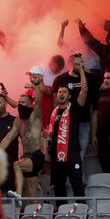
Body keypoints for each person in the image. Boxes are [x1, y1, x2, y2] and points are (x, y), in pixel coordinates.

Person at [0, 75, 44, 198]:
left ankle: (18, 194)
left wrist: (36, 85)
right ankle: (31, 212)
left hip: (37, 156)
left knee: (16, 165)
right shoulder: (18, 121)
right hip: (26, 157)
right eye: (19, 103)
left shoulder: (35, 116)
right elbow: (8, 138)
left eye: (23, 103)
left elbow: (38, 102)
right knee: (31, 194)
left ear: (30, 105)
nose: (20, 105)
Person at [52, 53, 98, 173]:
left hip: (83, 122)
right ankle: (69, 183)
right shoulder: (60, 79)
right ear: (70, 64)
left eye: (82, 63)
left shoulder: (90, 78)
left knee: (80, 155)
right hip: (65, 123)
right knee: (65, 154)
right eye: (77, 63)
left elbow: (93, 104)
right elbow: (55, 103)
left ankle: (79, 183)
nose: (80, 66)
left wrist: (93, 134)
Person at [48, 66, 88, 204]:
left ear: (69, 96)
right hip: (56, 156)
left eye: (64, 91)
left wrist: (81, 70)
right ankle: (61, 214)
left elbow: (84, 91)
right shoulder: (53, 112)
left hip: (72, 154)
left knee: (77, 185)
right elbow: (51, 135)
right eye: (59, 91)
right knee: (58, 187)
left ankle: (83, 215)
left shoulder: (75, 108)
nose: (61, 93)